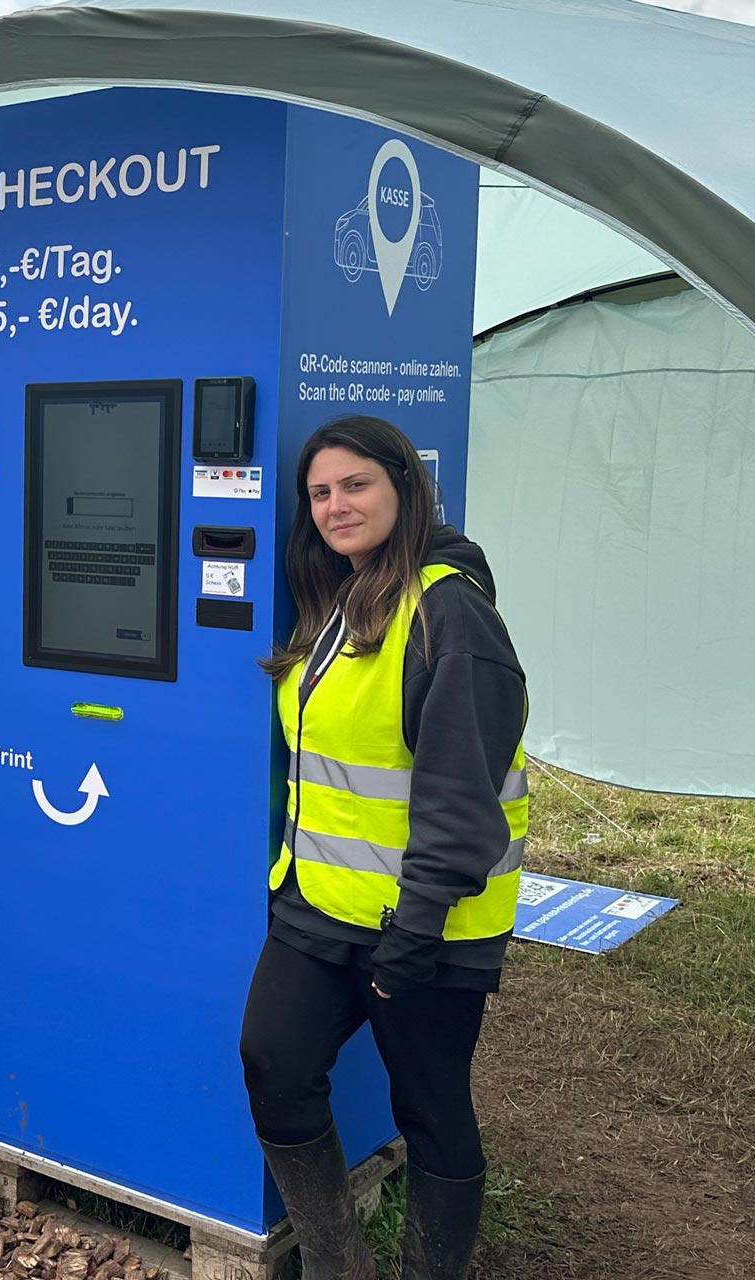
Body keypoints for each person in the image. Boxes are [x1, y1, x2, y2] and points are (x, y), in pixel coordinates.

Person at [238, 416, 527, 1280]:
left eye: (355, 485)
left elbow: (462, 799)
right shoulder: (342, 597)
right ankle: (337, 1268)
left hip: (425, 927)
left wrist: (416, 930)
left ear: (405, 485)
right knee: (274, 1064)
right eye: (320, 493)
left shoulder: (450, 614)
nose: (336, 506)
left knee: (432, 1109)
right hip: (321, 911)